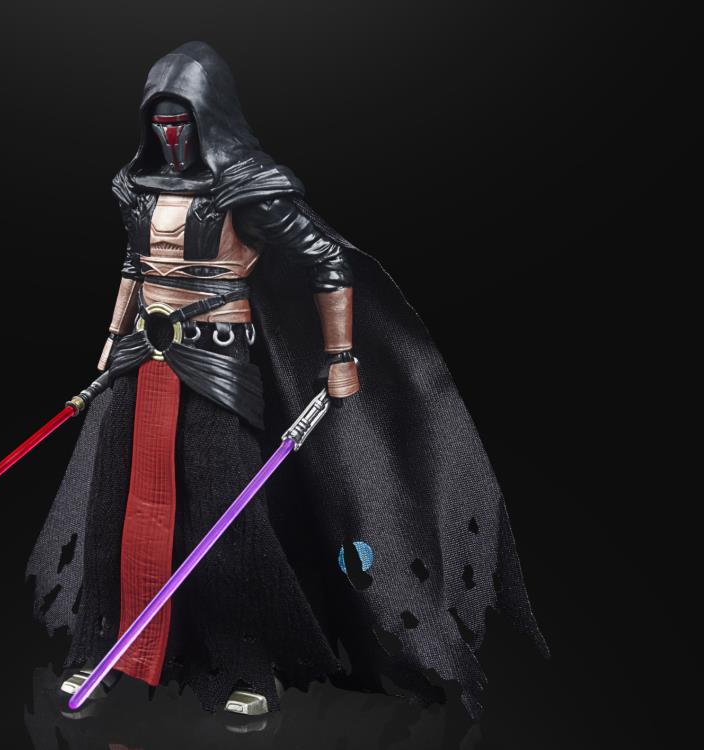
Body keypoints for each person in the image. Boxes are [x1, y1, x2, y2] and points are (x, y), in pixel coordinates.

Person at [27, 41, 546, 719]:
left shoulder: (246, 184)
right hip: (141, 360)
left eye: (182, 120)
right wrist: (111, 335)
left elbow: (325, 258)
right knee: (114, 505)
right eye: (159, 121)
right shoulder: (138, 185)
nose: (170, 134)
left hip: (216, 365)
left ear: (210, 116)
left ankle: (246, 665)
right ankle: (99, 648)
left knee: (226, 514)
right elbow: (135, 261)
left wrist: (340, 356)